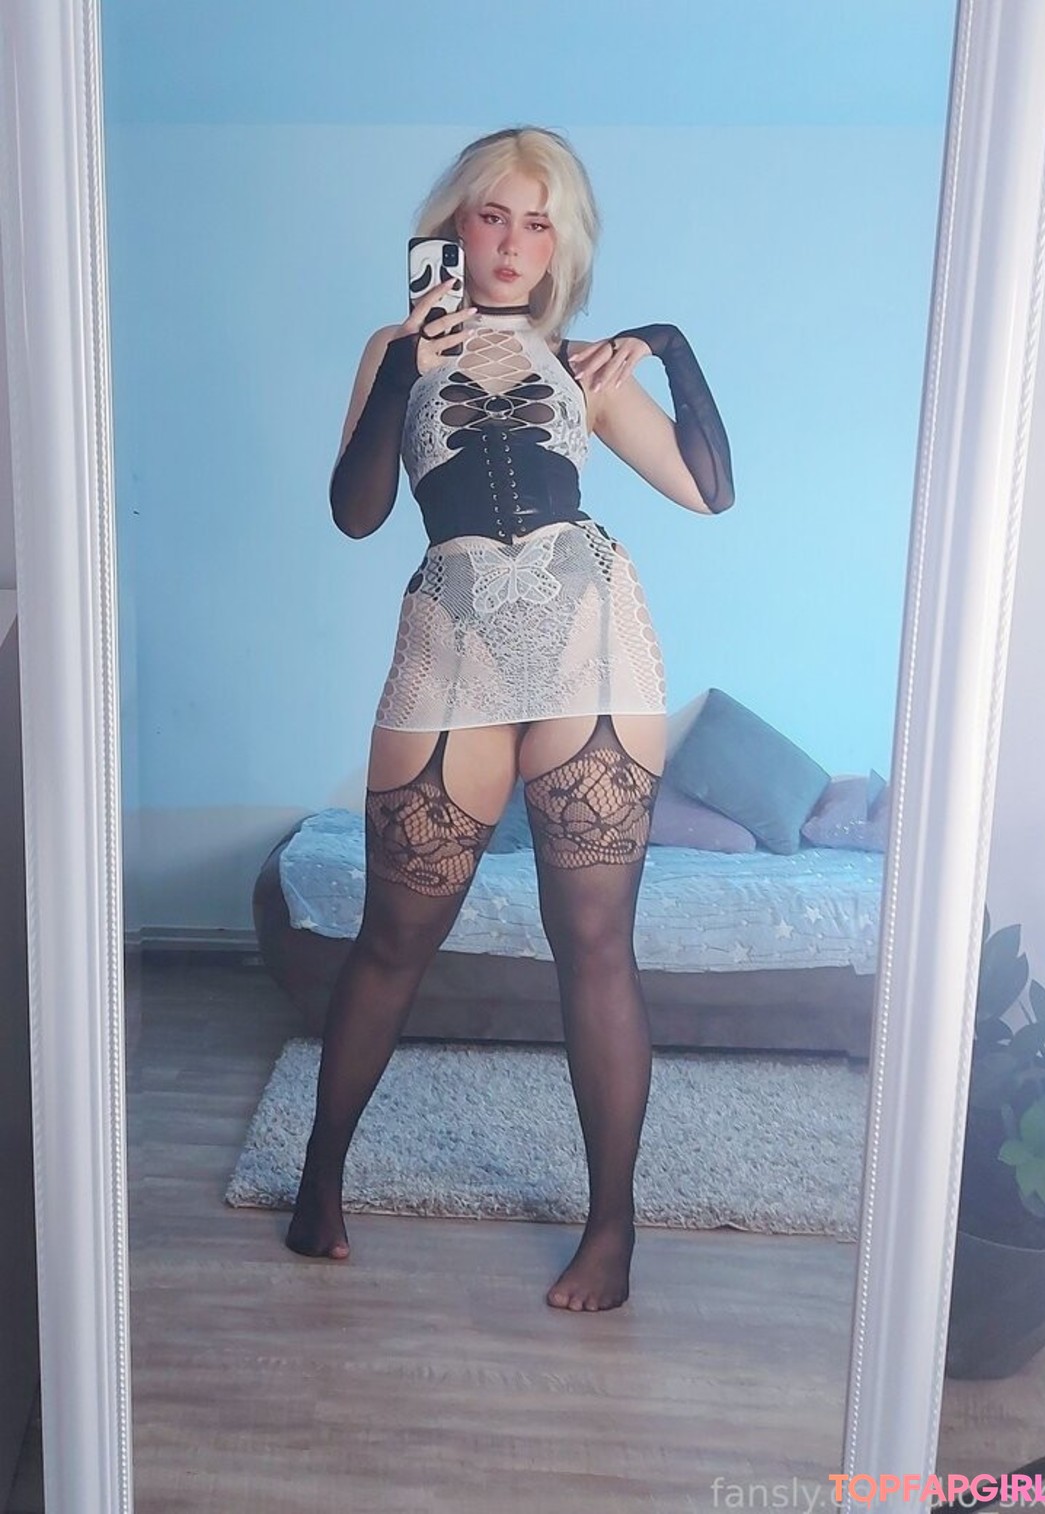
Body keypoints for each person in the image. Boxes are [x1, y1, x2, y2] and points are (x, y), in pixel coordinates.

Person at [286, 125, 734, 1311]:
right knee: (394, 936)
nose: (514, 243)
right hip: (455, 636)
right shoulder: (397, 348)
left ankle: (612, 1231)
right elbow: (354, 511)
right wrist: (403, 372)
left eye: (540, 223)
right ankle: (319, 1180)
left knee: (594, 940)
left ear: (559, 244)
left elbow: (709, 488)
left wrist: (669, 344)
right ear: (456, 224)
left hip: (591, 636)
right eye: (494, 215)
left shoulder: (583, 361)